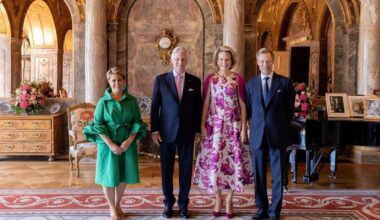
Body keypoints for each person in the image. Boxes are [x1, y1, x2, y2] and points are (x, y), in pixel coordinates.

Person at [193, 46, 254, 219]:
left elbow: (243, 105)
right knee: (215, 164)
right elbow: (205, 104)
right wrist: (202, 126)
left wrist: (243, 128)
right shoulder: (210, 79)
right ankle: (217, 198)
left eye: (227, 59)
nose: (224, 62)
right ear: (216, 60)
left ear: (231, 60)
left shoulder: (238, 79)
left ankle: (229, 200)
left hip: (233, 127)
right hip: (215, 128)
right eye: (221, 59)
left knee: (234, 164)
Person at [83, 67, 146, 220]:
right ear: (109, 82)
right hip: (107, 142)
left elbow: (137, 122)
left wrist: (129, 141)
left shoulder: (132, 101)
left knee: (123, 174)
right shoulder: (103, 102)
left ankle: (118, 204)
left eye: (119, 80)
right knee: (109, 175)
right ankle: (111, 208)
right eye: (113, 80)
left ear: (123, 81)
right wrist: (111, 144)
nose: (116, 83)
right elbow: (97, 125)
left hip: (126, 141)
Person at [150, 46, 202, 219]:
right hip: (166, 132)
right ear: (172, 60)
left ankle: (183, 205)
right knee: (167, 170)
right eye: (177, 59)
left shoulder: (195, 81)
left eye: (184, 59)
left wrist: (197, 130)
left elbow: (197, 109)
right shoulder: (160, 80)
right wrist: (155, 130)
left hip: (187, 133)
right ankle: (168, 203)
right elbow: (154, 107)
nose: (181, 62)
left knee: (186, 170)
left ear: (187, 61)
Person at [245, 48, 295, 220]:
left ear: (273, 62)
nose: (265, 64)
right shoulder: (250, 84)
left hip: (278, 134)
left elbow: (289, 112)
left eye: (268, 61)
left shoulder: (285, 83)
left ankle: (275, 211)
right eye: (262, 61)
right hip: (257, 135)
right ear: (258, 63)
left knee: (278, 175)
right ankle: (262, 210)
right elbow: (250, 109)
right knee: (259, 175)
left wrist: (278, 124)